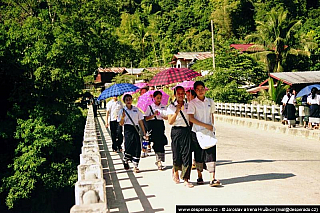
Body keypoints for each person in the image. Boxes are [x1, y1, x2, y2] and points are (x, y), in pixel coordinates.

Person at [188, 81, 221, 187]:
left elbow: (211, 115)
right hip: (197, 132)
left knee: (211, 153)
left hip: (209, 131)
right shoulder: (192, 103)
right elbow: (191, 118)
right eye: (198, 89)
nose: (200, 91)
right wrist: (205, 125)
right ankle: (199, 176)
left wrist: (211, 127)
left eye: (202, 88)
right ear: (195, 91)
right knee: (199, 154)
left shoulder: (210, 101)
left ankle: (212, 178)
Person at [167, 86, 193, 188]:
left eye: (183, 93)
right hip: (176, 131)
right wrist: (177, 111)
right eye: (179, 93)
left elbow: (191, 119)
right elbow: (170, 121)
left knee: (187, 155)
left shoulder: (188, 105)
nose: (181, 95)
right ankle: (176, 172)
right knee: (176, 154)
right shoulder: (171, 107)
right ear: (175, 95)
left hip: (186, 131)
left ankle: (186, 178)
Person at [118, 94, 148, 173]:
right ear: (124, 101)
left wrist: (144, 132)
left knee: (137, 146)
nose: (128, 101)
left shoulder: (136, 109)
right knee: (128, 146)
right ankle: (125, 159)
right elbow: (121, 124)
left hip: (135, 129)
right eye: (126, 100)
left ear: (132, 100)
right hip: (128, 129)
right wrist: (123, 117)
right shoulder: (122, 111)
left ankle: (135, 165)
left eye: (129, 99)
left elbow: (140, 120)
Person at [144, 91, 168, 170]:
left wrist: (163, 116)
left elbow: (167, 117)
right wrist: (153, 115)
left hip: (160, 125)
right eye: (157, 98)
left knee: (161, 143)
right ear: (153, 98)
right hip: (152, 125)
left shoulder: (163, 106)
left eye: (160, 98)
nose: (159, 99)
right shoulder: (150, 107)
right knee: (155, 143)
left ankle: (159, 160)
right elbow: (146, 118)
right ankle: (158, 160)